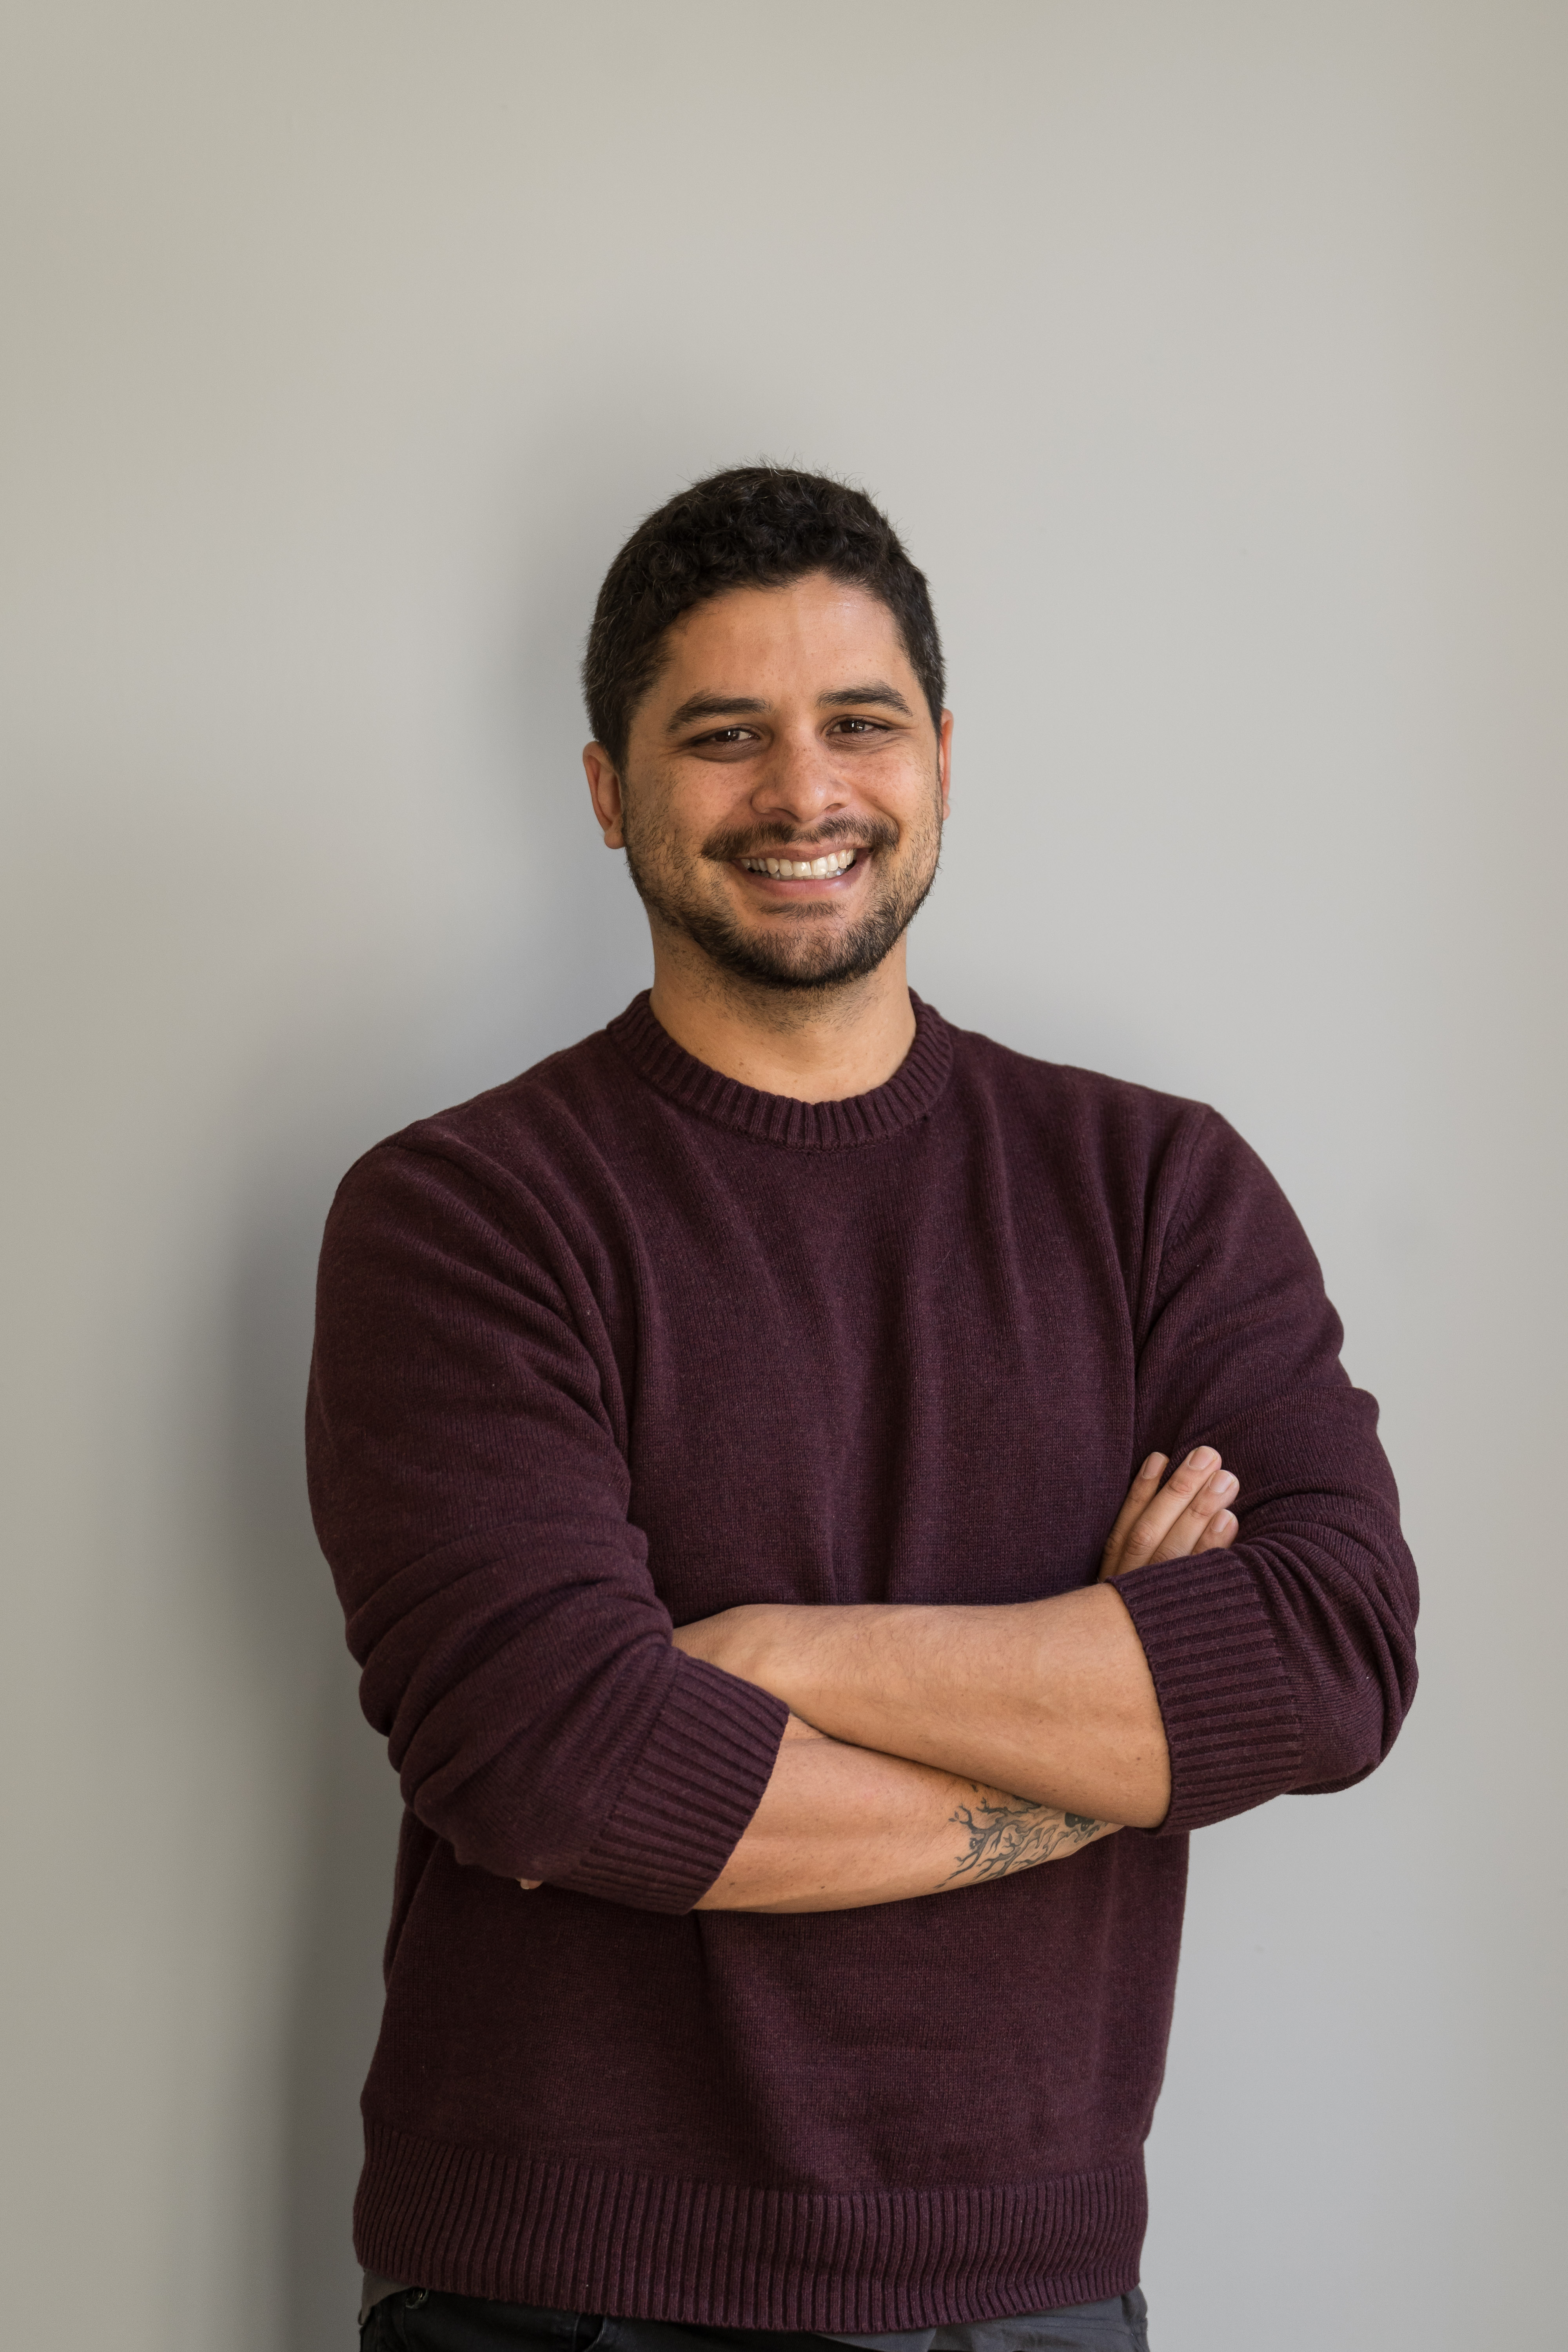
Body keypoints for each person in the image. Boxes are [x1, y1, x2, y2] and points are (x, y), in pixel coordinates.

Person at [307, 466, 1418, 2352]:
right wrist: (1101, 1757)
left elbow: (1326, 1657)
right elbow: (556, 1764)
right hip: (562, 2295)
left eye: (858, 726)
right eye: (723, 737)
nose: (803, 795)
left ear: (944, 758)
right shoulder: (463, 1211)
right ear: (608, 792)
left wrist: (753, 1655)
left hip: (1029, 2291)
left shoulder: (1154, 1189)